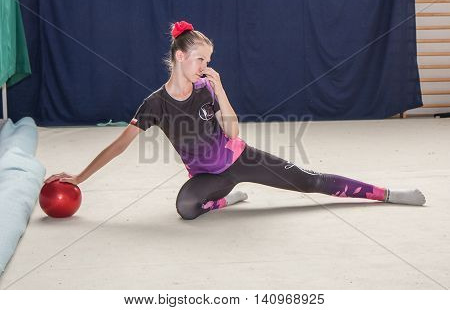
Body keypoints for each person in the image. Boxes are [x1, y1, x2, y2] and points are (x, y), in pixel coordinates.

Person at [45, 21, 426, 220]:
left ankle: (388, 194)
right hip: (208, 178)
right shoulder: (154, 104)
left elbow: (232, 131)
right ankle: (228, 197)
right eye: (201, 60)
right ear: (180, 57)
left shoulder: (207, 87)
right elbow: (118, 146)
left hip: (241, 158)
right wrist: (79, 177)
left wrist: (221, 88)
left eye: (208, 61)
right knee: (186, 209)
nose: (206, 67)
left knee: (310, 180)